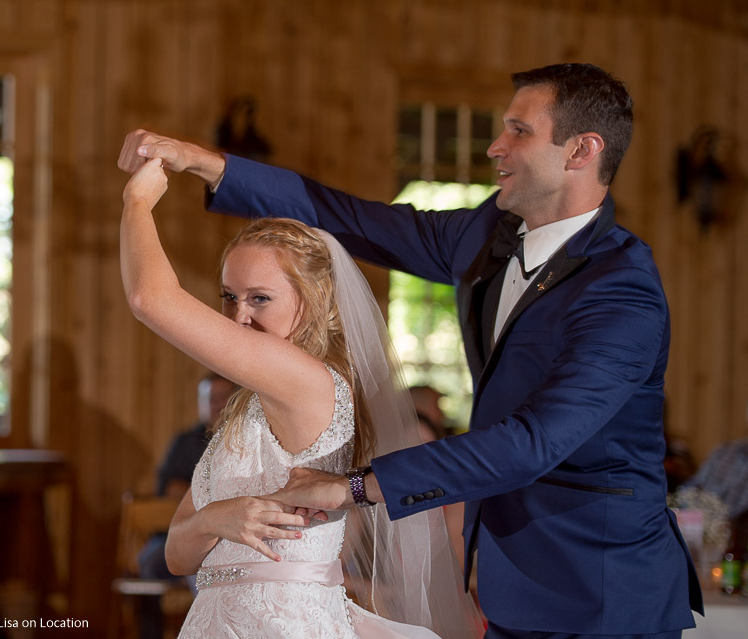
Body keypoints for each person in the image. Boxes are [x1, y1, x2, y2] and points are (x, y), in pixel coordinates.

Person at [118, 63, 704, 638]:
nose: (496, 147)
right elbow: (346, 218)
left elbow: (534, 442)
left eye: (519, 131)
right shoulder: (486, 238)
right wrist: (202, 162)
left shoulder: (621, 291)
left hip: (602, 590)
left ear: (582, 151)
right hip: (509, 581)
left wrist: (353, 486)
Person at [120, 162, 483, 637]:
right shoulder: (247, 408)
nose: (239, 317)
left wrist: (138, 202)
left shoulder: (311, 383)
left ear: (313, 301)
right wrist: (215, 517)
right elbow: (176, 554)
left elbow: (150, 298)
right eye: (230, 296)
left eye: (260, 299)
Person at [136, 373, 235, 639]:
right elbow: (170, 489)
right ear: (200, 403)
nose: (218, 404)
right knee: (147, 562)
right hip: (174, 533)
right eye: (212, 399)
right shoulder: (184, 442)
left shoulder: (239, 441)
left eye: (224, 398)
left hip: (229, 539)